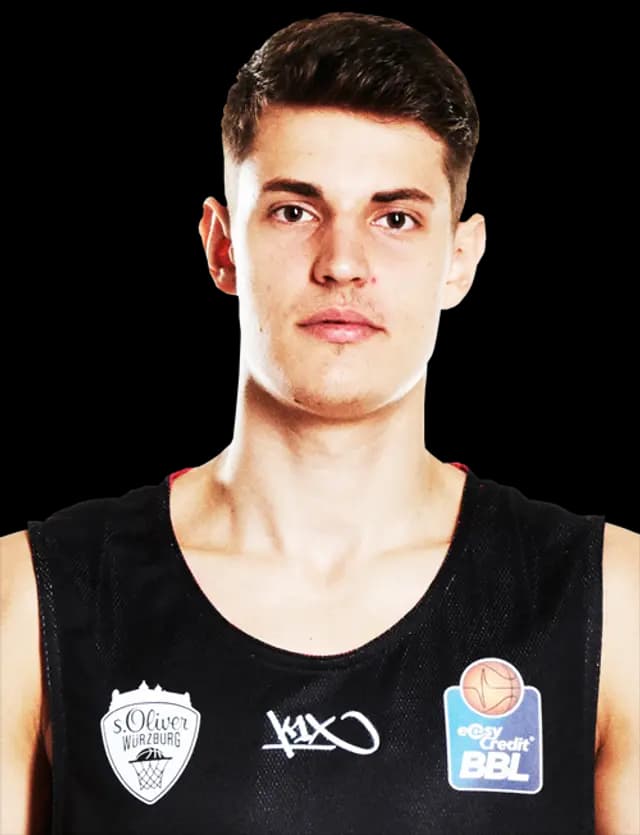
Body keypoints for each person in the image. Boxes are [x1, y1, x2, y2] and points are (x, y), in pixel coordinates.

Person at [1, 10, 638, 834]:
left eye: (395, 218)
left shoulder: (609, 600)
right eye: (294, 211)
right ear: (223, 245)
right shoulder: (35, 597)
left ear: (459, 258)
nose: (342, 262)